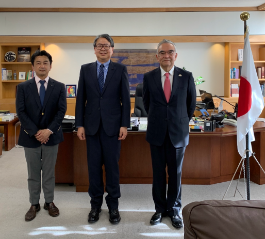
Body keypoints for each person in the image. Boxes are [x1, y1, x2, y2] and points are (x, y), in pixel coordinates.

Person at [75, 34, 130, 224]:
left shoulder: (120, 69)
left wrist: (124, 124)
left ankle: (113, 206)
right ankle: (95, 205)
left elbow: (125, 99)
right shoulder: (86, 69)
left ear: (112, 49)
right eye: (99, 46)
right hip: (91, 127)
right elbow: (81, 98)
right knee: (94, 168)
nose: (103, 49)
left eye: (106, 46)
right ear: (94, 49)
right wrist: (79, 124)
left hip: (113, 127)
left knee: (112, 168)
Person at [143, 39, 196, 229]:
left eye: (170, 52)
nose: (167, 55)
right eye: (163, 53)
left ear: (176, 55)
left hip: (178, 134)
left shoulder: (186, 76)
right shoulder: (148, 77)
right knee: (158, 174)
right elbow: (147, 104)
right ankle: (159, 209)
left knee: (175, 174)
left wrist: (178, 121)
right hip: (156, 132)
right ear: (157, 56)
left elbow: (190, 106)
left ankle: (174, 209)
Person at [16, 50, 67, 221]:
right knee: (33, 172)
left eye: (45, 62)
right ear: (32, 66)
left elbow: (61, 111)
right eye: (38, 63)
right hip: (30, 137)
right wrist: (36, 132)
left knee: (49, 172)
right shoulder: (23, 87)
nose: (42, 66)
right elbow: (21, 112)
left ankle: (49, 202)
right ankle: (34, 203)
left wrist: (48, 130)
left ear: (50, 66)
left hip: (52, 136)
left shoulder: (59, 87)